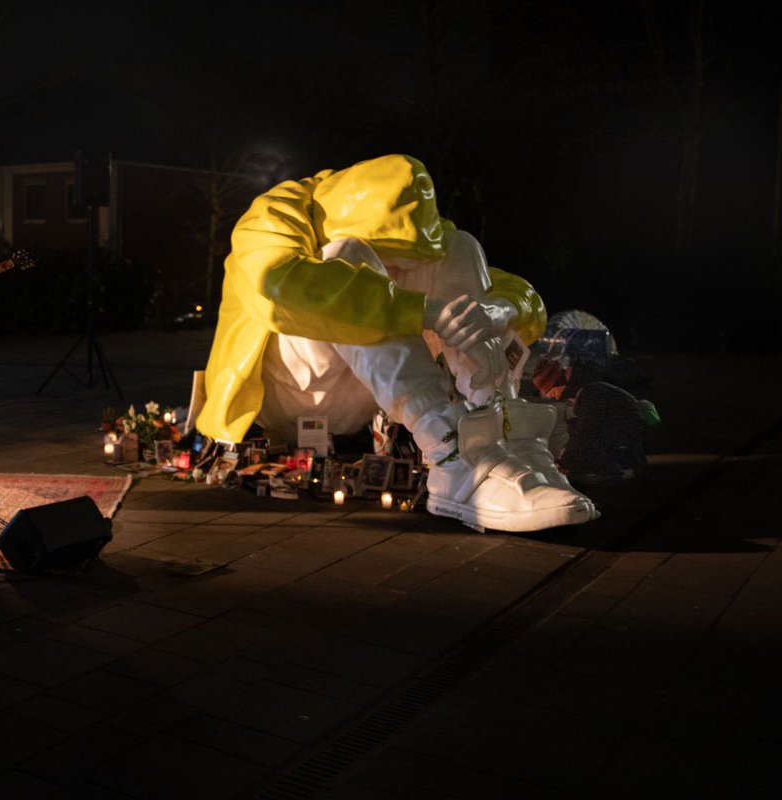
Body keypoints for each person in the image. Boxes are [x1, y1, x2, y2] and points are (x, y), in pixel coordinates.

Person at [195, 154, 597, 532]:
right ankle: (452, 457)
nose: (398, 274)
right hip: (288, 399)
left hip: (367, 398)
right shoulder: (278, 212)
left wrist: (500, 310)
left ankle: (501, 436)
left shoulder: (424, 230)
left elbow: (517, 293)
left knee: (461, 248)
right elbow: (278, 289)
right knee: (346, 256)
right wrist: (421, 311)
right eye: (389, 261)